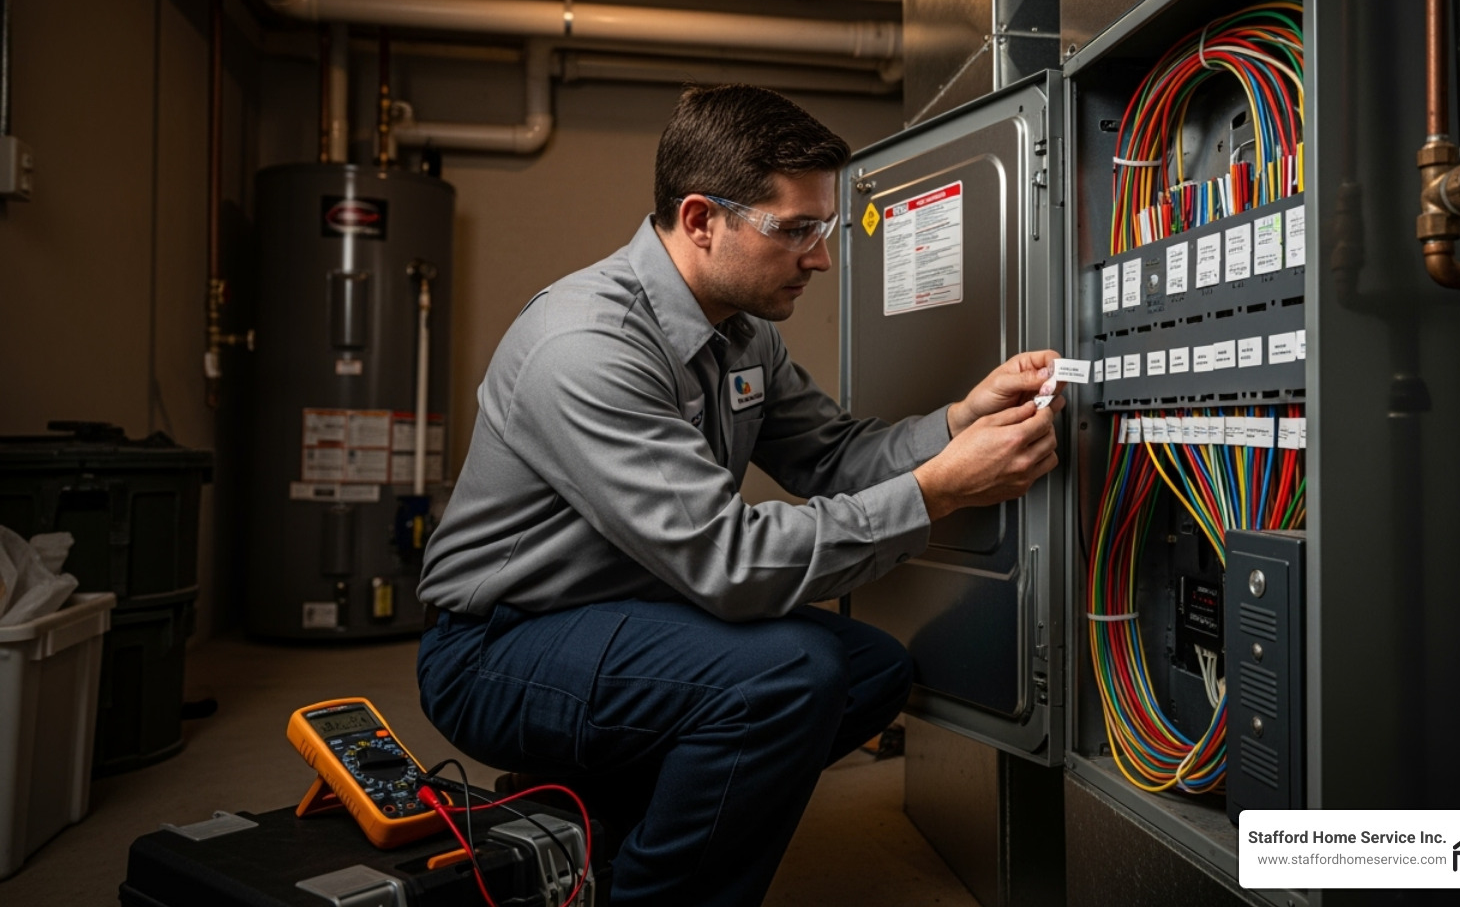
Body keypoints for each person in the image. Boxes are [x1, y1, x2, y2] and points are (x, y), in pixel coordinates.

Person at [416, 84, 1063, 907]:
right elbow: (728, 562)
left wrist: (956, 421)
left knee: (871, 670)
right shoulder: (585, 346)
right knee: (788, 677)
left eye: (822, 228)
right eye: (795, 230)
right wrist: (936, 493)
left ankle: (600, 825)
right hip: (498, 647)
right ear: (700, 220)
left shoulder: (744, 333)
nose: (821, 258)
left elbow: (833, 455)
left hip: (632, 612)